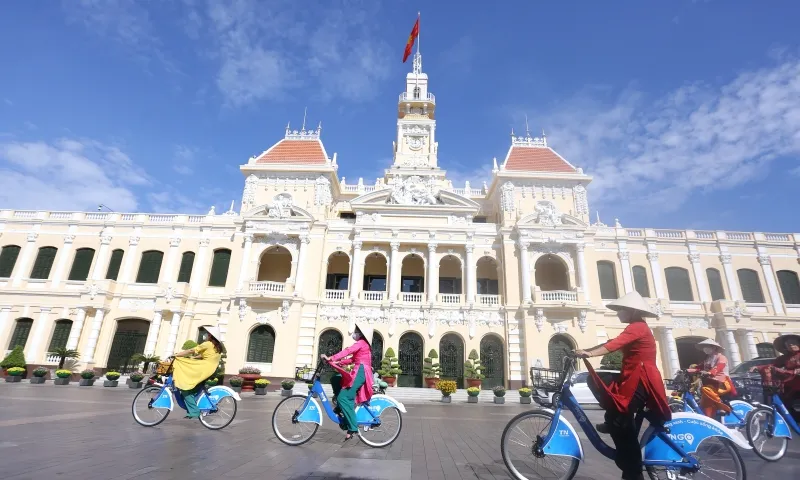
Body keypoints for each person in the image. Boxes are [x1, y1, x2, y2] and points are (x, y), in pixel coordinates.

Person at [575, 292, 671, 480]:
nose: (618, 313)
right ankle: (611, 420)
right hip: (633, 377)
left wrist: (589, 354)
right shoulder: (636, 327)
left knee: (622, 422)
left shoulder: (637, 327)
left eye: (621, 309)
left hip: (641, 379)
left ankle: (633, 472)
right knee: (600, 382)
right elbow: (611, 342)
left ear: (632, 311)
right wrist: (588, 350)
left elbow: (615, 344)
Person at [321, 322, 374, 441]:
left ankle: (352, 427)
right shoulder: (364, 345)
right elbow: (351, 359)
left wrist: (331, 358)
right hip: (359, 371)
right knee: (335, 379)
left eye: (356, 331)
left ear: (361, 334)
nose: (354, 333)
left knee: (344, 398)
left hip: (360, 372)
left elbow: (348, 351)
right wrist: (338, 363)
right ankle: (341, 408)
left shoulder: (361, 343)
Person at [171, 327, 225, 419]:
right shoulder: (217, 346)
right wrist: (194, 358)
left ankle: (194, 412)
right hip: (210, 370)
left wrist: (176, 355)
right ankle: (192, 407)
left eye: (208, 334)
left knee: (185, 389)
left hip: (203, 370)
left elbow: (192, 350)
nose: (206, 335)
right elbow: (206, 355)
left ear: (211, 335)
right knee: (191, 389)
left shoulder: (208, 344)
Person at [752, 334, 800, 422]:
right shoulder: (784, 358)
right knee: (784, 405)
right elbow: (772, 365)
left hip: (797, 383)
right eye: (788, 344)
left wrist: (788, 372)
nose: (791, 345)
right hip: (789, 386)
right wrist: (758, 367)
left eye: (793, 343)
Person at [688, 339, 736, 419]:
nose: (705, 348)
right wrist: (688, 370)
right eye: (705, 347)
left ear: (714, 347)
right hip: (710, 383)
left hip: (722, 384)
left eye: (708, 346)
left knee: (705, 389)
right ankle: (709, 420)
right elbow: (699, 368)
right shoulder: (708, 359)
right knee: (704, 404)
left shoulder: (721, 357)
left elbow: (719, 367)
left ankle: (721, 406)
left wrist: (711, 372)